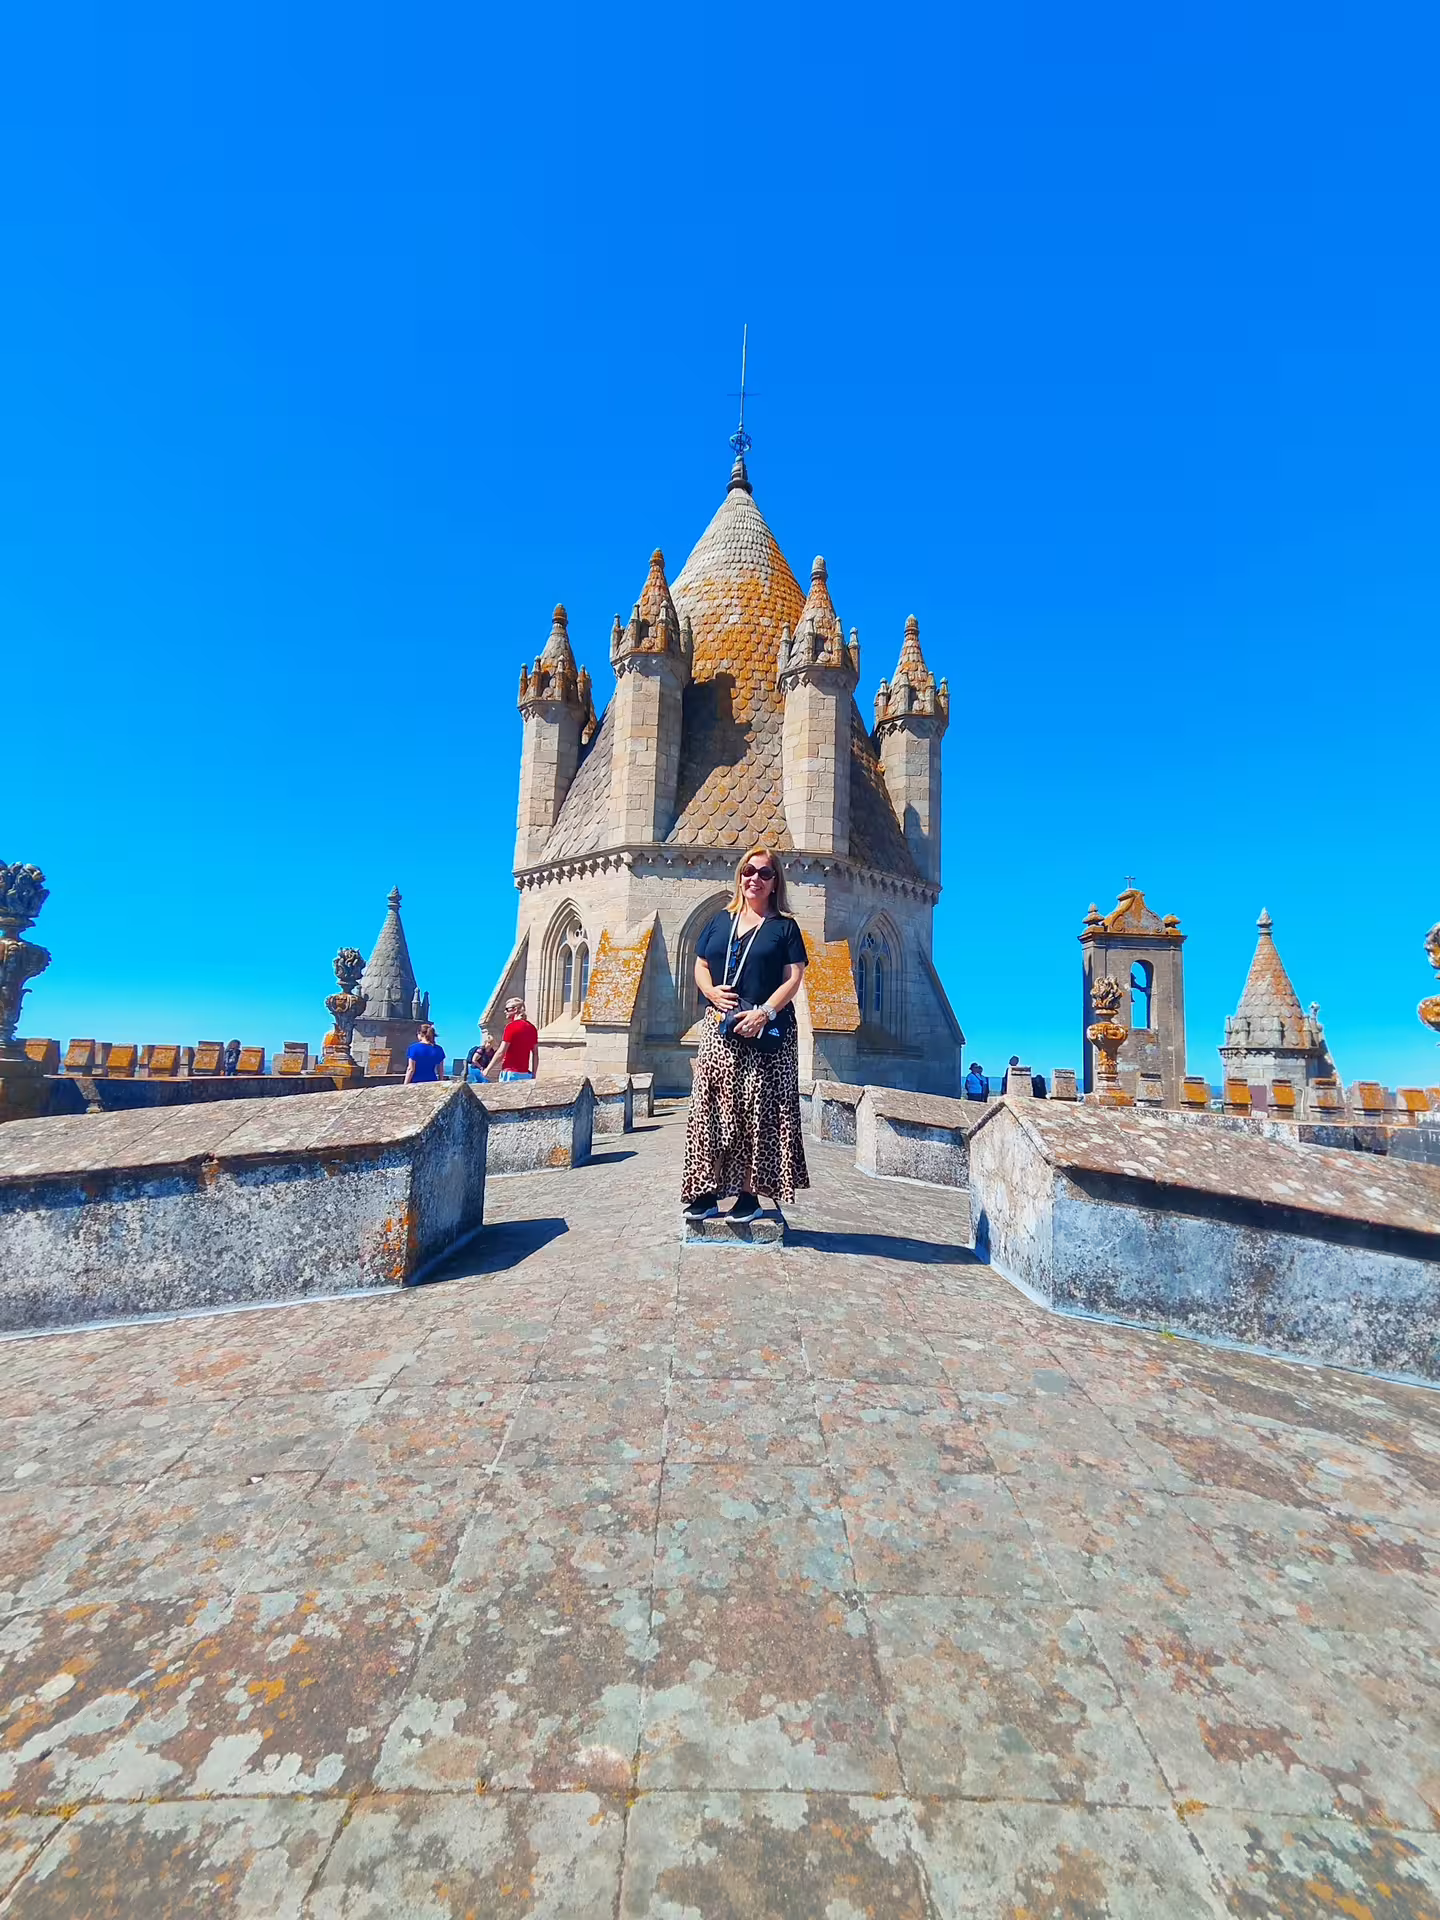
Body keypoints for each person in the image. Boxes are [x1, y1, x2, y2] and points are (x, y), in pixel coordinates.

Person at [681, 844, 809, 1221]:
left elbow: (795, 977)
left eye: (764, 873)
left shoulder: (785, 927)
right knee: (710, 1110)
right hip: (720, 1029)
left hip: (766, 1033)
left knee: (758, 1113)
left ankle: (749, 1198)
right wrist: (709, 991)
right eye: (749, 871)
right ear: (740, 876)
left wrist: (767, 1012)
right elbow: (701, 964)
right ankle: (705, 1192)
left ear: (775, 882)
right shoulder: (721, 921)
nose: (755, 878)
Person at [487, 997, 539, 1082]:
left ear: (515, 1010)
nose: (505, 1011)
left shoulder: (511, 1027)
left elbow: (501, 1052)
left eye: (507, 1009)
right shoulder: (532, 1028)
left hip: (510, 1074)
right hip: (525, 1075)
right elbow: (535, 1054)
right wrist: (534, 1074)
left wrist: (487, 1069)